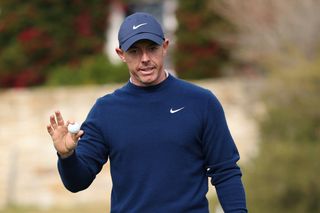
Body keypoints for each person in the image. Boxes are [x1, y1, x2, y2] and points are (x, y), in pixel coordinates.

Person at [47, 12, 247, 212]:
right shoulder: (105, 111)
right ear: (121, 54)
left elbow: (226, 172)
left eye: (152, 48)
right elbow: (77, 182)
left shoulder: (201, 102)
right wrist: (67, 156)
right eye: (134, 51)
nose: (145, 59)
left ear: (165, 47)